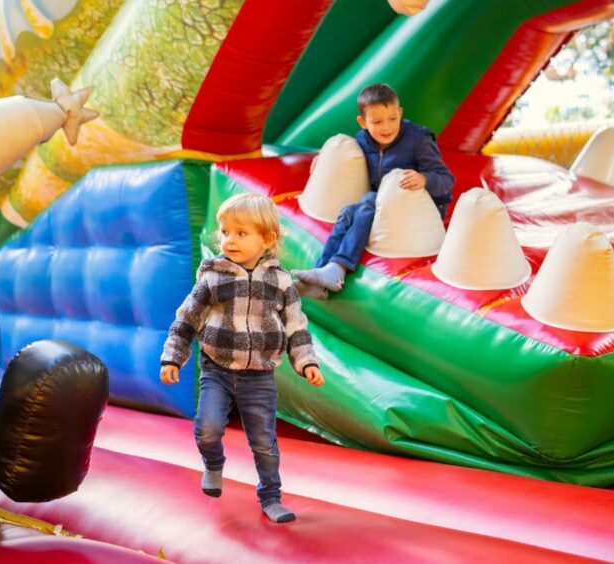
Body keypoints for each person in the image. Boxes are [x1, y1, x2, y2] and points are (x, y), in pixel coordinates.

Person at [160, 192, 324, 524]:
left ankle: (271, 496)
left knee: (264, 441)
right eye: (225, 232)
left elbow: (296, 325)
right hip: (217, 369)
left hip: (259, 376)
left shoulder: (280, 282)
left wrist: (306, 361)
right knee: (207, 429)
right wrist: (173, 357)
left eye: (241, 233)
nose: (229, 240)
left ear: (267, 239)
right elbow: (186, 318)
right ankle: (214, 464)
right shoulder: (213, 278)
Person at [294, 83, 455, 299]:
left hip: (423, 212)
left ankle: (338, 268)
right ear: (363, 122)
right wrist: (323, 160)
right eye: (377, 121)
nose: (386, 127)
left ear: (400, 113)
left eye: (392, 118)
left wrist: (424, 179)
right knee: (347, 212)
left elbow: (446, 179)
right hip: (383, 205)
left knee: (369, 200)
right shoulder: (363, 141)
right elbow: (346, 156)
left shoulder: (419, 139)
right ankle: (320, 275)